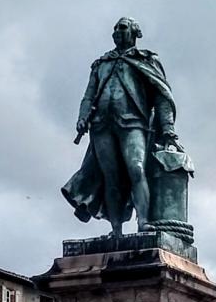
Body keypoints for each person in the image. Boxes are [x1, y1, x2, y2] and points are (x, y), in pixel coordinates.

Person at [62, 17, 182, 237]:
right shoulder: (101, 63)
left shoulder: (145, 60)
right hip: (102, 125)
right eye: (115, 28)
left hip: (132, 122)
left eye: (123, 27)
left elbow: (161, 96)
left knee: (136, 168)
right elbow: (88, 96)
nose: (117, 31)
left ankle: (143, 222)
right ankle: (115, 230)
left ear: (135, 33)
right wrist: (82, 116)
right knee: (111, 177)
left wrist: (168, 129)